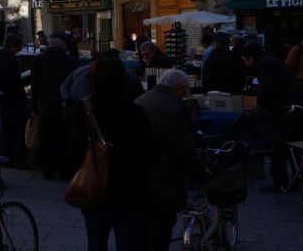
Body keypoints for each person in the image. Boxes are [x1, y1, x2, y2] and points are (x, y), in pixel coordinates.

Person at [78, 56, 157, 251]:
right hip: (131, 190)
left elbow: (74, 151)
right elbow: (151, 152)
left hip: (95, 188)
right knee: (130, 242)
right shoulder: (136, 111)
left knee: (96, 242)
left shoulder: (84, 110)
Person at [135, 69, 208, 251]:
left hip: (139, 172)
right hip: (161, 174)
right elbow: (183, 147)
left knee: (145, 223)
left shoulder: (143, 99)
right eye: (185, 91)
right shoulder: (170, 108)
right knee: (161, 223)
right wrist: (201, 170)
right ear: (177, 87)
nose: (185, 95)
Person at [242, 43, 302, 193]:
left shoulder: (264, 65)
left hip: (283, 111)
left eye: (245, 59)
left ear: (251, 57)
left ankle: (280, 182)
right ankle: (298, 179)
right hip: (293, 107)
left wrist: (259, 102)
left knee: (278, 146)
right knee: (290, 147)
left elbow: (270, 89)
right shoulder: (271, 61)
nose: (245, 63)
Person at [31, 32, 78, 179]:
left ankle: (46, 169)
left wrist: (34, 107)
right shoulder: (69, 61)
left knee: (46, 139)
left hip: (44, 104)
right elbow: (72, 85)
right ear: (63, 45)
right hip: (62, 105)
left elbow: (35, 86)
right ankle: (63, 170)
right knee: (62, 139)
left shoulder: (38, 60)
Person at [0, 33, 28, 165]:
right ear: (13, 46)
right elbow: (16, 82)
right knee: (16, 130)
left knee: (4, 129)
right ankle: (16, 157)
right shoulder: (12, 60)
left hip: (0, 99)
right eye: (18, 47)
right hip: (13, 100)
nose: (18, 51)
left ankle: (4, 154)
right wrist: (23, 98)